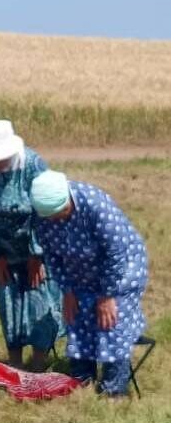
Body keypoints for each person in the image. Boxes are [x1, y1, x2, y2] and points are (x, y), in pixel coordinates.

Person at [31, 170, 148, 396]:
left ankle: (113, 391)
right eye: (50, 216)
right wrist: (67, 290)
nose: (56, 219)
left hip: (122, 270)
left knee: (110, 323)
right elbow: (52, 256)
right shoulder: (42, 216)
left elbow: (116, 254)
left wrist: (107, 295)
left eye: (61, 212)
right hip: (79, 272)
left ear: (68, 199)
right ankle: (81, 382)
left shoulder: (95, 205)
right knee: (78, 317)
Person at [0, 119, 64, 370]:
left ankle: (39, 361)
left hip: (36, 249)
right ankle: (14, 362)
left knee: (39, 300)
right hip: (2, 250)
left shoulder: (32, 164)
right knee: (7, 301)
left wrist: (37, 254)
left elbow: (43, 211)